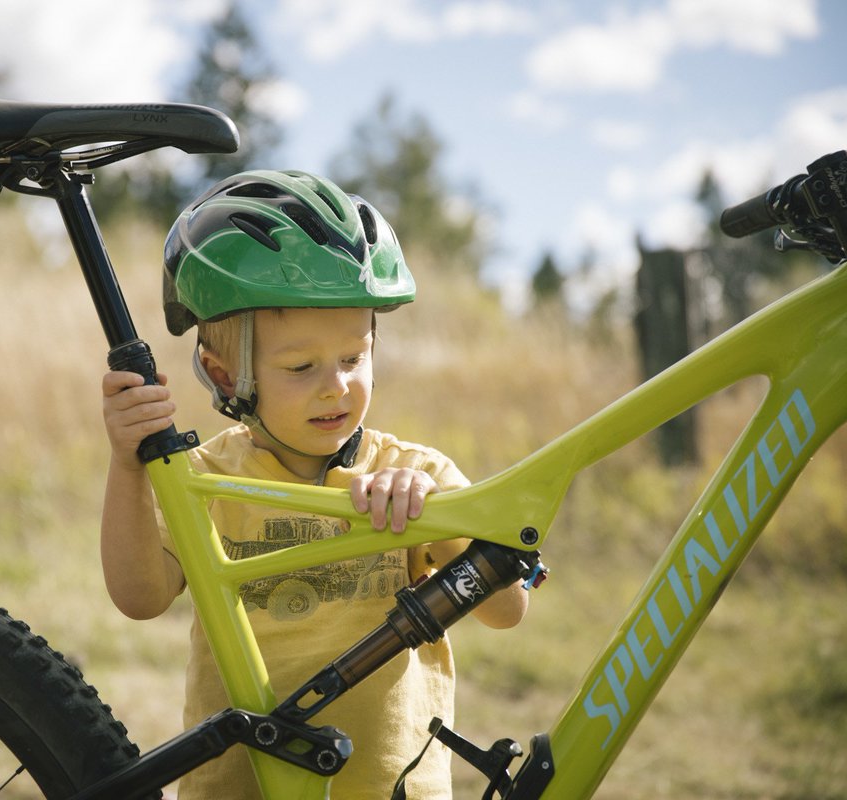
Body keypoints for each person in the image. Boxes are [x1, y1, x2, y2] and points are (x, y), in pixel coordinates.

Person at [100, 169, 528, 799]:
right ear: (225, 376)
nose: (337, 386)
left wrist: (436, 520)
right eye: (301, 367)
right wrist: (127, 463)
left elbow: (507, 609)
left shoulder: (419, 474)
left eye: (354, 358)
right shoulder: (207, 480)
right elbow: (140, 597)